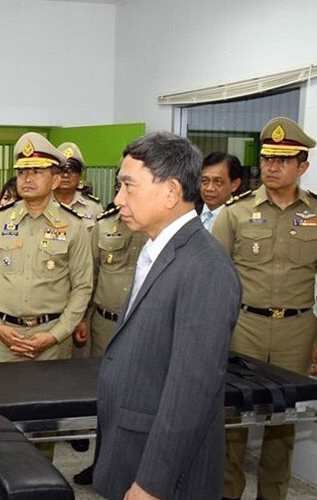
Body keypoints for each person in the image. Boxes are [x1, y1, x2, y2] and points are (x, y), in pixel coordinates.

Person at [93, 132, 241, 500]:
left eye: (129, 187)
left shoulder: (205, 266)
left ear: (172, 192)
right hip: (133, 443)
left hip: (165, 473)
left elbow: (192, 389)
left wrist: (152, 483)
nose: (117, 199)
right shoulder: (156, 251)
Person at [212, 117, 317, 500]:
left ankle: (272, 494)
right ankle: (228, 493)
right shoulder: (234, 213)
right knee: (232, 418)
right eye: (268, 157)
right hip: (244, 326)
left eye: (283, 159)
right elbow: (214, 281)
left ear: (302, 166)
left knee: (284, 422)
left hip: (297, 328)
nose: (272, 166)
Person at [0, 132, 92, 462]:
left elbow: (82, 288)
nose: (26, 177)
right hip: (3, 340)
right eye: (22, 171)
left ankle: (40, 483)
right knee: (1, 421)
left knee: (43, 424)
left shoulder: (75, 227)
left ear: (55, 179)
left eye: (36, 171)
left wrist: (53, 335)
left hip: (50, 343)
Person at [72, 175, 148, 486]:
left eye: (130, 186)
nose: (121, 195)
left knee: (144, 400)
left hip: (145, 325)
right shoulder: (104, 225)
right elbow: (90, 275)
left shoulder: (157, 227)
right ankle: (102, 463)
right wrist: (83, 317)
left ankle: (142, 471)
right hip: (106, 323)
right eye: (120, 187)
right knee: (107, 397)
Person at [52, 142, 104, 229]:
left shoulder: (93, 207)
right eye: (61, 170)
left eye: (72, 171)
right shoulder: (41, 203)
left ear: (80, 176)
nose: (65, 175)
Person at [199, 152, 243, 232]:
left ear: (234, 185)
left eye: (218, 182)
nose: (209, 188)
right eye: (204, 181)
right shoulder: (188, 214)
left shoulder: (242, 219)